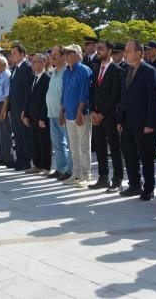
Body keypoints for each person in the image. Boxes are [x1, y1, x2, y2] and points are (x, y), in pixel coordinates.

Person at [117, 41, 156, 200]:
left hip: (143, 123)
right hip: (127, 122)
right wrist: (120, 119)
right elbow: (123, 97)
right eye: (125, 51)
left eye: (128, 51)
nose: (125, 53)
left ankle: (149, 188)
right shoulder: (126, 70)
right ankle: (134, 184)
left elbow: (153, 99)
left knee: (146, 156)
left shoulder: (149, 71)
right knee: (129, 154)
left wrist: (150, 124)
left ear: (139, 53)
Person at [90, 41, 123, 192]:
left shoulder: (117, 70)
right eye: (98, 49)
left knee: (114, 149)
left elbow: (115, 95)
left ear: (110, 51)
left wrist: (102, 114)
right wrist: (93, 111)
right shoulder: (96, 70)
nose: (98, 51)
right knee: (100, 148)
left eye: (101, 49)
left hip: (110, 116)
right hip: (96, 116)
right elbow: (92, 93)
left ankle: (117, 180)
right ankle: (103, 177)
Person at [61, 44, 93, 187]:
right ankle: (76, 174)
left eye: (68, 52)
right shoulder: (66, 71)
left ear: (77, 54)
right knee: (73, 146)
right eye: (65, 52)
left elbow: (84, 94)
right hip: (69, 114)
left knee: (84, 147)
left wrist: (80, 111)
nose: (65, 55)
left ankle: (86, 175)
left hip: (81, 114)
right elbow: (64, 93)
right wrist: (62, 111)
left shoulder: (84, 70)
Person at [46, 46, 72, 181]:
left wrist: (63, 111)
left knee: (69, 143)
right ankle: (61, 168)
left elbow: (66, 94)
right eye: (52, 54)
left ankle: (70, 170)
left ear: (63, 56)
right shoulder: (53, 72)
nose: (52, 56)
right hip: (52, 114)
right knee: (58, 144)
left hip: (63, 114)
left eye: (55, 54)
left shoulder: (67, 71)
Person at [23, 52, 51, 174]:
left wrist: (42, 117)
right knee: (34, 141)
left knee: (43, 142)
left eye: (35, 62)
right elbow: (28, 98)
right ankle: (37, 165)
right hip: (32, 116)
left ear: (44, 63)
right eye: (32, 61)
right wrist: (26, 114)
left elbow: (46, 100)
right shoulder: (33, 77)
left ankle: (46, 166)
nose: (32, 64)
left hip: (41, 116)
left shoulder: (47, 78)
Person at [9, 43, 34, 171]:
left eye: (14, 53)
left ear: (23, 54)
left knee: (25, 136)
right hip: (14, 109)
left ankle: (26, 161)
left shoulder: (27, 67)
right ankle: (19, 159)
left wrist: (25, 110)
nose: (12, 56)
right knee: (18, 136)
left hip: (22, 109)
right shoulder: (15, 68)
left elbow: (27, 92)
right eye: (11, 53)